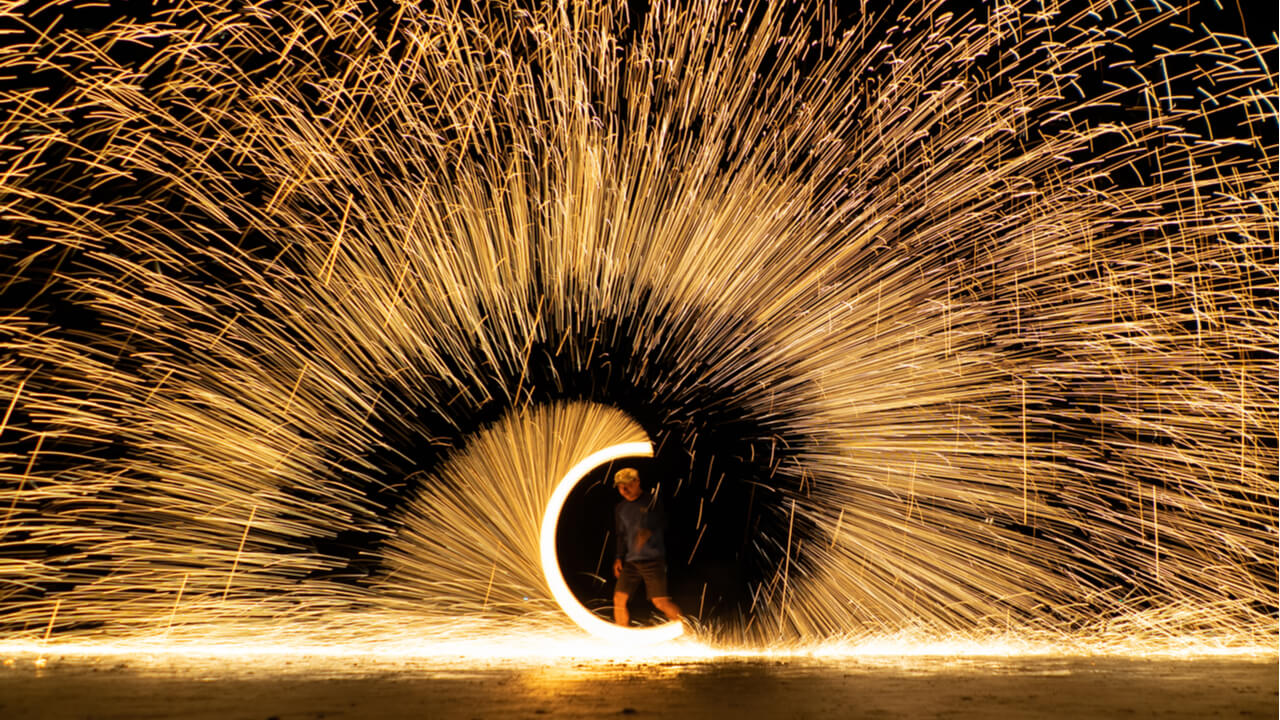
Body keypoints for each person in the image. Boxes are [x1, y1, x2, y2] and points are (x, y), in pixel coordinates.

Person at [612, 467, 682, 627]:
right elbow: (620, 535)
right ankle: (622, 637)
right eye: (619, 487)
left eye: (627, 485)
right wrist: (618, 557)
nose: (623, 489)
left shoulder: (652, 501)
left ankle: (684, 630)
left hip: (653, 560)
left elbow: (663, 522)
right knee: (619, 599)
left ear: (637, 482)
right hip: (631, 562)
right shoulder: (620, 508)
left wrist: (647, 531)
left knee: (660, 602)